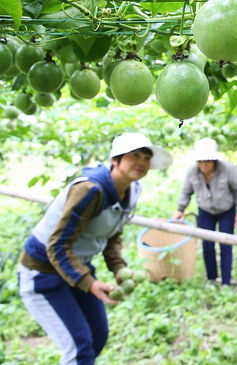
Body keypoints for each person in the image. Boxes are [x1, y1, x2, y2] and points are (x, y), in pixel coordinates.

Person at [18, 133, 172, 365]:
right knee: (78, 347)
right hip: (43, 274)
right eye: (135, 155)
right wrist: (89, 282)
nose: (141, 162)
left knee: (97, 336)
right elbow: (57, 245)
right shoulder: (90, 190)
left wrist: (118, 267)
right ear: (115, 160)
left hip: (76, 268)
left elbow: (112, 234)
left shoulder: (131, 191)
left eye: (146, 157)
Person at [173, 138, 237, 288]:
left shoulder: (228, 169)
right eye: (200, 162)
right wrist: (180, 210)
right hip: (205, 210)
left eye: (207, 161)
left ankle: (226, 281)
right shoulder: (192, 172)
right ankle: (211, 278)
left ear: (214, 160)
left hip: (226, 210)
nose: (204, 166)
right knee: (207, 244)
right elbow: (186, 192)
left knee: (226, 244)